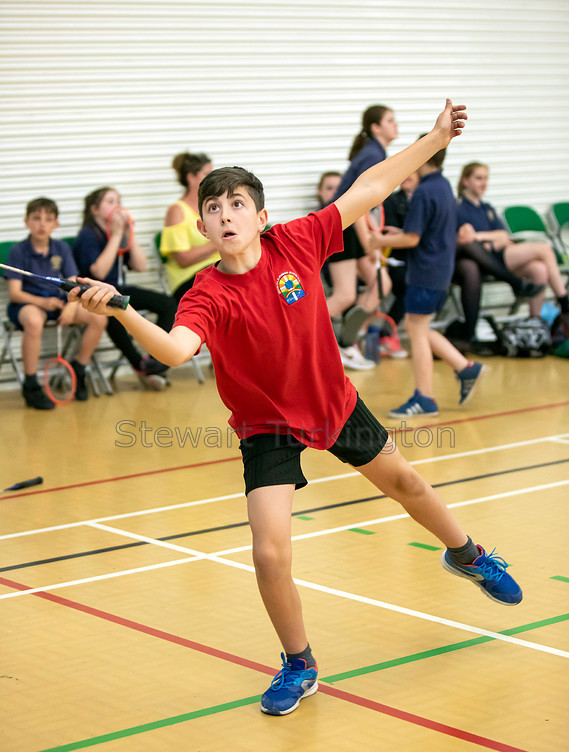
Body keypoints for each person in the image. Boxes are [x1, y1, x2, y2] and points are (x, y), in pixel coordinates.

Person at [71, 100, 522, 718]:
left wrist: (435, 138)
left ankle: (468, 553)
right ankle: (300, 663)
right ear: (203, 227)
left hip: (332, 403)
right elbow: (176, 352)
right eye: (213, 208)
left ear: (260, 217)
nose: (225, 215)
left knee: (409, 484)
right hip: (266, 427)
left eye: (236, 206)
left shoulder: (298, 241)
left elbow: (374, 184)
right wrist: (123, 309)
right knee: (270, 553)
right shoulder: (206, 292)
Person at [371, 139, 486, 417]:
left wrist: (377, 241)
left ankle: (425, 398)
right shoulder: (443, 185)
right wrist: (400, 233)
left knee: (417, 332)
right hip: (439, 271)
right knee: (417, 327)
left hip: (425, 273)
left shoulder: (423, 192)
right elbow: (425, 230)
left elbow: (412, 238)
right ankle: (465, 368)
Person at [4, 197, 106, 409]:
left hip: (59, 303)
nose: (42, 224)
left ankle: (80, 368)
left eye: (48, 219)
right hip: (28, 304)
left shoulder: (61, 249)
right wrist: (43, 301)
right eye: (36, 218)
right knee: (33, 321)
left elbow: (73, 283)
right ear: (26, 222)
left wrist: (70, 307)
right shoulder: (17, 251)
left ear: (56, 224)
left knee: (99, 316)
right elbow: (15, 293)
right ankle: (31, 385)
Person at [73, 187, 177, 390]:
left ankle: (157, 356)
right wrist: (116, 236)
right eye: (110, 201)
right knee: (113, 312)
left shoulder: (116, 233)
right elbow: (99, 273)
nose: (117, 205)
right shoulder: (88, 235)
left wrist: (129, 234)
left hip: (118, 289)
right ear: (94, 209)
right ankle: (139, 363)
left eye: (119, 200)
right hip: (95, 293)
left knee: (167, 303)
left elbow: (141, 265)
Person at [456, 162, 569, 335]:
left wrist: (482, 238)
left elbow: (503, 235)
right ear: (465, 181)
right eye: (479, 178)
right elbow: (465, 240)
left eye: (486, 178)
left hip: (498, 253)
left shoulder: (487, 208)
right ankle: (564, 301)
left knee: (539, 269)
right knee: (544, 249)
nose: (483, 183)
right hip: (486, 260)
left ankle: (535, 326)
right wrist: (492, 241)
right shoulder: (458, 208)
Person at [326, 105, 399, 370]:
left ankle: (345, 342)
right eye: (390, 121)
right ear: (375, 128)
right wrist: (369, 243)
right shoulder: (372, 155)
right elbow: (356, 203)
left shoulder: (377, 152)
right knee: (344, 295)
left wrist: (371, 240)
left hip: (352, 227)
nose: (396, 125)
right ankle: (299, 338)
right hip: (340, 227)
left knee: (381, 285)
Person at [160, 151, 219, 302]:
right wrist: (218, 242)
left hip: (218, 270)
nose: (213, 178)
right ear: (191, 178)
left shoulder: (215, 207)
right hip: (188, 280)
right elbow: (183, 259)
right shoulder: (177, 211)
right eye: (207, 173)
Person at [380, 171, 419, 326]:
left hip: (419, 258)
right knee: (409, 285)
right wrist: (407, 236)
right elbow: (390, 233)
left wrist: (405, 234)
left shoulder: (424, 200)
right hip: (396, 259)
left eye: (411, 173)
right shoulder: (391, 201)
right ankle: (386, 331)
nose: (405, 176)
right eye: (405, 172)